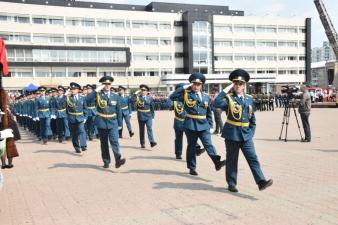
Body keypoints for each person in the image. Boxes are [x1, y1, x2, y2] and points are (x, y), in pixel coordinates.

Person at [215, 69, 273, 192]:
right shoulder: (229, 98)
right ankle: (231, 183)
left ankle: (261, 181)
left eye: (240, 84)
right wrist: (226, 88)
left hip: (246, 135)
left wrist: (251, 133)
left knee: (253, 158)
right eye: (235, 83)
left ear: (244, 85)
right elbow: (216, 103)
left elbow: (252, 118)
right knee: (232, 160)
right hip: (232, 134)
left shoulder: (249, 99)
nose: (237, 86)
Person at [170, 73, 225, 176]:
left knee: (208, 144)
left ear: (201, 85)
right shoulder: (186, 94)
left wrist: (210, 125)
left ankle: (217, 162)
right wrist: (183, 87)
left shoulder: (205, 96)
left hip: (204, 125)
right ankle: (191, 167)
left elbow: (209, 112)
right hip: (190, 124)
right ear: (191, 84)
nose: (196, 86)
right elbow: (172, 97)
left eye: (198, 84)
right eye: (194, 84)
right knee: (191, 146)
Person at [87, 76, 126, 169]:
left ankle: (118, 160)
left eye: (109, 84)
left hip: (113, 122)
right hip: (101, 122)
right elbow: (87, 100)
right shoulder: (98, 95)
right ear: (102, 85)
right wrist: (96, 91)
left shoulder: (115, 96)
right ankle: (106, 161)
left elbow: (119, 111)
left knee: (114, 141)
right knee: (104, 143)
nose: (107, 86)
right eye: (105, 84)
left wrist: (120, 124)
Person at [167, 83, 205, 160]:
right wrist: (171, 99)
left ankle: (197, 149)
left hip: (188, 121)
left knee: (191, 137)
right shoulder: (175, 100)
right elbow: (167, 105)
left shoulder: (190, 98)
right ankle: (178, 153)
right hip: (178, 121)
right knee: (178, 138)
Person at [131, 85, 157, 149]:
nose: (143, 91)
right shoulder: (138, 97)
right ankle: (142, 143)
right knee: (142, 130)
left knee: (149, 128)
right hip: (141, 115)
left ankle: (152, 141)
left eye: (144, 90)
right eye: (142, 90)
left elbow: (152, 108)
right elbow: (132, 100)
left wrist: (153, 116)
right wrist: (135, 93)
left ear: (147, 91)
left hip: (148, 116)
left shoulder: (149, 98)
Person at [66, 82, 87, 153]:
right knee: (74, 134)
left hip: (80, 117)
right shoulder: (68, 98)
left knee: (81, 130)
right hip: (71, 118)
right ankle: (76, 147)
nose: (73, 90)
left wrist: (85, 117)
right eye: (72, 89)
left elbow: (85, 108)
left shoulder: (82, 98)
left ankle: (83, 145)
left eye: (75, 89)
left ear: (78, 90)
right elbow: (64, 107)